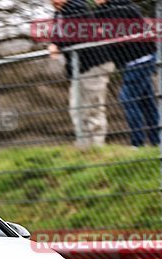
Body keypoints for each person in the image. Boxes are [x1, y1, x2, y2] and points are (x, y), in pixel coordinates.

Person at [48, 0, 115, 148]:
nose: (54, 1)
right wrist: (55, 43)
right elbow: (58, 33)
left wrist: (59, 45)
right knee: (77, 108)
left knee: (91, 108)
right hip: (80, 67)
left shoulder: (76, 7)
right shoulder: (60, 12)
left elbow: (78, 33)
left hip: (93, 64)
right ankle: (84, 145)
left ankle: (96, 146)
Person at [95, 0, 159, 147]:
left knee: (127, 98)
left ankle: (138, 143)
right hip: (129, 62)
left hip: (142, 58)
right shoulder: (100, 13)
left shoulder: (122, 6)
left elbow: (122, 33)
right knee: (146, 100)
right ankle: (158, 141)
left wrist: (105, 33)